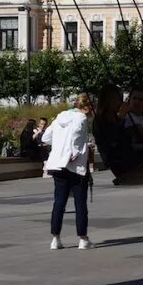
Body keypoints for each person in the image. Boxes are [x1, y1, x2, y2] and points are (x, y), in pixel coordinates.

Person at [43, 93, 97, 250]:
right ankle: (83, 239)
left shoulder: (60, 117)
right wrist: (72, 151)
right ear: (88, 107)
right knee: (80, 203)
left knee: (59, 202)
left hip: (58, 165)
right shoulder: (81, 118)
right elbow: (74, 135)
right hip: (76, 165)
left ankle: (55, 238)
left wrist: (60, 145)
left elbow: (46, 137)